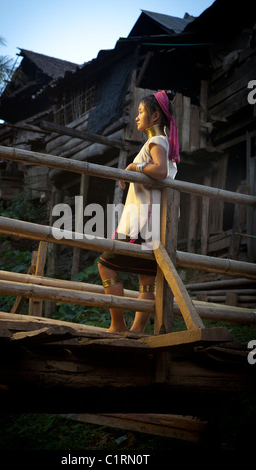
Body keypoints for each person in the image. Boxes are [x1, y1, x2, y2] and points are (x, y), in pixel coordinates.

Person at [98, 90, 179, 333]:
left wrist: (134, 166)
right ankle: (136, 331)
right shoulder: (163, 143)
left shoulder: (156, 142)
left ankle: (118, 326)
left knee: (105, 265)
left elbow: (161, 171)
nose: (137, 117)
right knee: (146, 280)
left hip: (139, 224)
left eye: (141, 112)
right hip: (151, 224)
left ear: (155, 117)